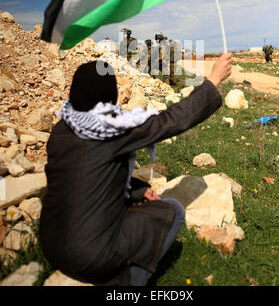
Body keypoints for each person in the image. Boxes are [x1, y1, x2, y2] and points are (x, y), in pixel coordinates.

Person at [39, 53, 232, 286]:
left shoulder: (63, 126)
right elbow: (171, 121)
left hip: (51, 247)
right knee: (172, 211)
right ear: (108, 94)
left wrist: (137, 191)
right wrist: (212, 82)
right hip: (89, 258)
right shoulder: (112, 131)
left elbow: (89, 176)